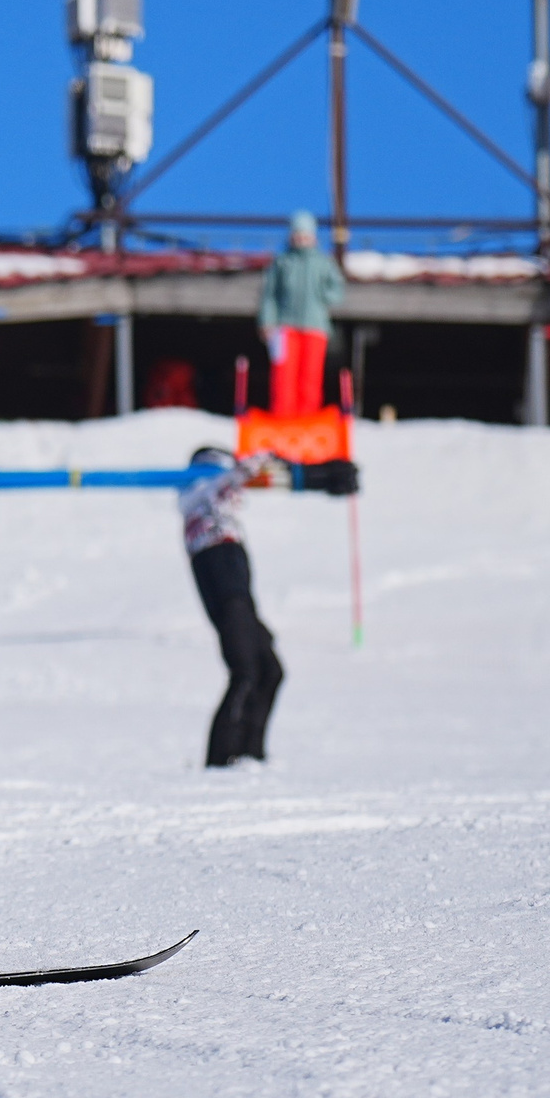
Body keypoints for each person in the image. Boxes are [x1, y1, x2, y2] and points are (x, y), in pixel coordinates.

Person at [178, 444, 356, 767]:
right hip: (229, 600)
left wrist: (316, 481)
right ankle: (219, 763)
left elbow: (241, 479)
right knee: (244, 672)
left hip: (241, 599)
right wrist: (312, 468)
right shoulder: (197, 501)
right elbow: (243, 471)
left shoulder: (221, 512)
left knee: (271, 670)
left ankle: (251, 755)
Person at [259, 211, 346, 417]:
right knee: (284, 376)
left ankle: (307, 418)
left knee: (310, 376)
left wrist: (325, 296)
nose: (301, 238)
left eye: (305, 234)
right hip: (285, 327)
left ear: (313, 236)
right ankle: (282, 418)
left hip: (315, 327)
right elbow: (269, 295)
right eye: (297, 234)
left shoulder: (323, 263)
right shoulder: (282, 262)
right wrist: (267, 321)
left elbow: (337, 288)